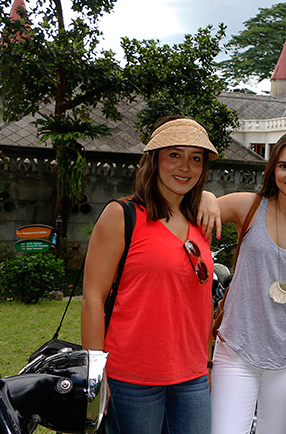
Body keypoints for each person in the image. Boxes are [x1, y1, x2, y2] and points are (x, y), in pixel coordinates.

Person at [81, 116, 218, 434]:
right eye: (174, 154)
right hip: (131, 377)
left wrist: (206, 363)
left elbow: (201, 302)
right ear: (154, 160)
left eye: (195, 158)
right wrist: (96, 376)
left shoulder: (201, 221)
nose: (185, 166)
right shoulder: (122, 214)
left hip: (192, 377)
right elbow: (92, 299)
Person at [206, 131, 286, 434]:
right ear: (273, 169)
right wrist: (207, 196)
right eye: (284, 166)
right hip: (236, 350)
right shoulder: (248, 206)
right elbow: (199, 210)